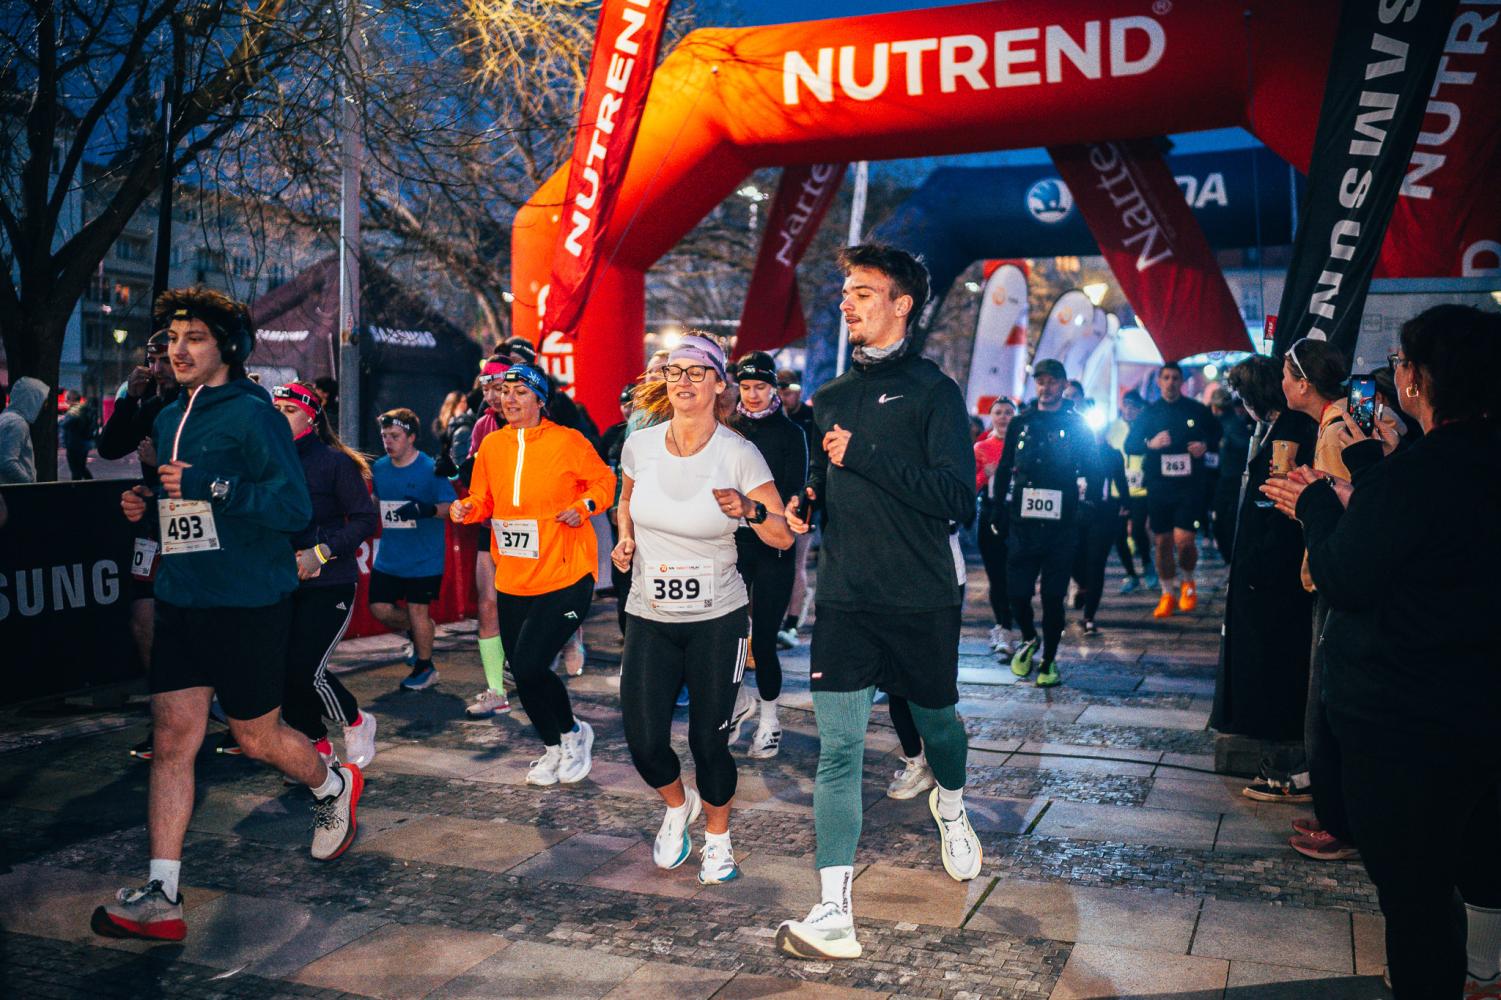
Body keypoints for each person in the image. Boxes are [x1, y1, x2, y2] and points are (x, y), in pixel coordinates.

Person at [94, 288, 358, 943]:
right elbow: (179, 499)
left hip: (249, 601)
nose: (178, 351)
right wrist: (147, 499)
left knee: (256, 739)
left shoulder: (254, 414)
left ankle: (332, 785)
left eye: (195, 339)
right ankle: (162, 894)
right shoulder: (167, 415)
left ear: (229, 348)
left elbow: (292, 508)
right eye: (172, 339)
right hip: (183, 597)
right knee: (171, 742)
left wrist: (212, 488)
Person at [1260, 305, 1501, 999]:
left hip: (1411, 717)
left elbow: (1347, 576)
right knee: (1480, 852)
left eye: (1400, 363)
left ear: (1421, 379)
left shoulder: (1420, 473)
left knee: (1416, 888)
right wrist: (1367, 471)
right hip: (1481, 702)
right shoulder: (1458, 462)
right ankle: (1484, 969)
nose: (1395, 375)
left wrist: (1315, 506)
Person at [775, 245, 980, 961]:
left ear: (901, 304)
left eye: (862, 291)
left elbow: (956, 498)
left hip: (920, 596)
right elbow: (826, 482)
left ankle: (950, 801)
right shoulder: (829, 397)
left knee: (939, 726)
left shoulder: (933, 391)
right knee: (839, 752)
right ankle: (833, 911)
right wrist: (808, 501)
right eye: (845, 292)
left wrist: (863, 456)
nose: (846, 302)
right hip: (845, 600)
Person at [612, 335, 793, 886]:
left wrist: (750, 508)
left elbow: (782, 535)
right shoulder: (640, 445)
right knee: (644, 743)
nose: (684, 381)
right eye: (675, 371)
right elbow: (626, 500)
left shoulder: (739, 453)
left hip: (717, 618)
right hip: (649, 614)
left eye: (697, 372)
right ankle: (677, 804)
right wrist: (625, 538)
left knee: (707, 740)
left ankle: (718, 839)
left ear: (719, 384)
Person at [451, 363, 615, 785]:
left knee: (527, 666)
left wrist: (583, 507)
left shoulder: (567, 440)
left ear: (540, 400)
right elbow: (484, 499)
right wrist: (468, 508)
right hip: (513, 578)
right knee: (526, 675)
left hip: (566, 574)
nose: (509, 399)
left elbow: (604, 482)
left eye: (521, 392)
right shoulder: (492, 446)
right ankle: (553, 746)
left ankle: (574, 734)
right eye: (505, 391)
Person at [1209, 356, 1317, 803]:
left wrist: (1257, 563)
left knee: (1274, 665)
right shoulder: (1277, 428)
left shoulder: (1290, 433)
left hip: (1273, 575)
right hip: (1263, 570)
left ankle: (1282, 764)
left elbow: (1276, 504)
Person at [272, 380, 380, 770]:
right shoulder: (267, 459)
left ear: (312, 419)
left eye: (290, 411)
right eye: (276, 410)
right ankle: (317, 747)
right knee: (281, 671)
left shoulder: (333, 462)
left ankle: (356, 720)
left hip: (330, 582)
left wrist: (321, 552)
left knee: (306, 669)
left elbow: (365, 519)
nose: (280, 417)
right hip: (281, 582)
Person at [993, 359, 1095, 684]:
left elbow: (1094, 468)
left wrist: (1087, 506)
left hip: (1061, 526)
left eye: (1052, 381)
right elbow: (1005, 466)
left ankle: (1049, 659)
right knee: (1017, 593)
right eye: (1041, 381)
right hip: (1023, 523)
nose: (1045, 387)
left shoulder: (1077, 424)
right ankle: (1029, 637)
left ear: (1063, 384)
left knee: (1053, 596)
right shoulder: (1021, 422)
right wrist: (997, 509)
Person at [727, 351, 808, 759]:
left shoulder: (791, 433)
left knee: (764, 638)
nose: (753, 395)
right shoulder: (728, 427)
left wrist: (788, 513)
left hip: (773, 544)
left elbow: (795, 491)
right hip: (733, 543)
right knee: (727, 635)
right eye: (746, 387)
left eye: (761, 387)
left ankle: (770, 720)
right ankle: (737, 704)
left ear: (775, 388)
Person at [98, 331, 179, 716]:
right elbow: (110, 448)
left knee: (191, 619)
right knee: (143, 616)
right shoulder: (150, 404)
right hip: (152, 524)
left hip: (187, 520)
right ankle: (164, 707)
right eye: (152, 360)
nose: (158, 369)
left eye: (165, 360)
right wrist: (128, 398)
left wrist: (160, 460)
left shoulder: (200, 406)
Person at [369, 407, 456, 691]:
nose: (388, 442)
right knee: (379, 609)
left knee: (419, 611)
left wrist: (424, 509)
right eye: (384, 436)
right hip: (390, 557)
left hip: (424, 558)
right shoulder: (380, 467)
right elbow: (377, 500)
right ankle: (420, 632)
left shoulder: (430, 468)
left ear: (411, 437)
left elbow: (451, 508)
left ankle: (425, 666)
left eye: (394, 436)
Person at [1124, 362, 1220, 617]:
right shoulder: (1149, 413)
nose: (1170, 382)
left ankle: (1188, 581)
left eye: (1175, 378)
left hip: (1189, 485)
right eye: (1166, 378)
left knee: (1184, 541)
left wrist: (1204, 445)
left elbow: (1217, 433)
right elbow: (1130, 445)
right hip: (1159, 486)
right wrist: (1150, 443)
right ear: (1159, 382)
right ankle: (1167, 593)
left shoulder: (1196, 409)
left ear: (1182, 382)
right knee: (1163, 542)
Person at [460, 357, 516, 717]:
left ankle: (564, 644)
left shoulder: (539, 423)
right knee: (488, 605)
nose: (493, 396)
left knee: (525, 608)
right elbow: (474, 475)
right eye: (487, 389)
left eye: (500, 388)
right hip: (491, 527)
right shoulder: (482, 425)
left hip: (531, 529)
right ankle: (496, 690)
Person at [1073, 408, 1131, 635]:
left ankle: (1089, 617)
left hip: (1103, 513)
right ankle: (1083, 586)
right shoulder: (1075, 451)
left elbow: (1121, 481)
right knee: (1072, 558)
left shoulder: (1112, 454)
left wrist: (1126, 504)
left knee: (1096, 564)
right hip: (1075, 513)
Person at [777, 368, 817, 646]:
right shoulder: (772, 418)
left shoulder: (811, 418)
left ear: (799, 390)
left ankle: (791, 622)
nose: (784, 395)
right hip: (773, 498)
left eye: (789, 390)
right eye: (779, 389)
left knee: (796, 562)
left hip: (804, 498)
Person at [974, 397, 1017, 654]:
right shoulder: (980, 447)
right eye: (998, 412)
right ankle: (1003, 626)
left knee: (1016, 576)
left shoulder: (1024, 446)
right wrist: (985, 474)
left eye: (1008, 412)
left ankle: (1014, 625)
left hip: (1019, 517)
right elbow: (969, 485)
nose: (1003, 417)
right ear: (991, 417)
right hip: (991, 515)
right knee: (997, 575)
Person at [1108, 390, 1153, 592]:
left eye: (1133, 406)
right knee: (1119, 535)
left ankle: (1147, 565)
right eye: (1126, 405)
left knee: (1137, 531)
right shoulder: (1113, 428)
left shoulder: (1146, 427)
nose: (1129, 410)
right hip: (1118, 490)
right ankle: (1131, 575)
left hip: (1140, 490)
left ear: (1140, 409)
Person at [0, 376, 49, 484]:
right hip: (16, 490)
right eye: (42, 400)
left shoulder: (7, 418)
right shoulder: (17, 423)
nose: (45, 405)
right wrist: (28, 483)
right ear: (32, 399)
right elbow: (7, 462)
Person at [60, 389, 97, 480]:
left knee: (75, 469)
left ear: (71, 399)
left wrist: (61, 421)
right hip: (83, 443)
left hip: (74, 444)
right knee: (81, 468)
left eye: (67, 399)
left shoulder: (75, 410)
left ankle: (77, 486)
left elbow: (65, 424)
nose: (66, 401)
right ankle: (91, 484)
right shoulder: (84, 409)